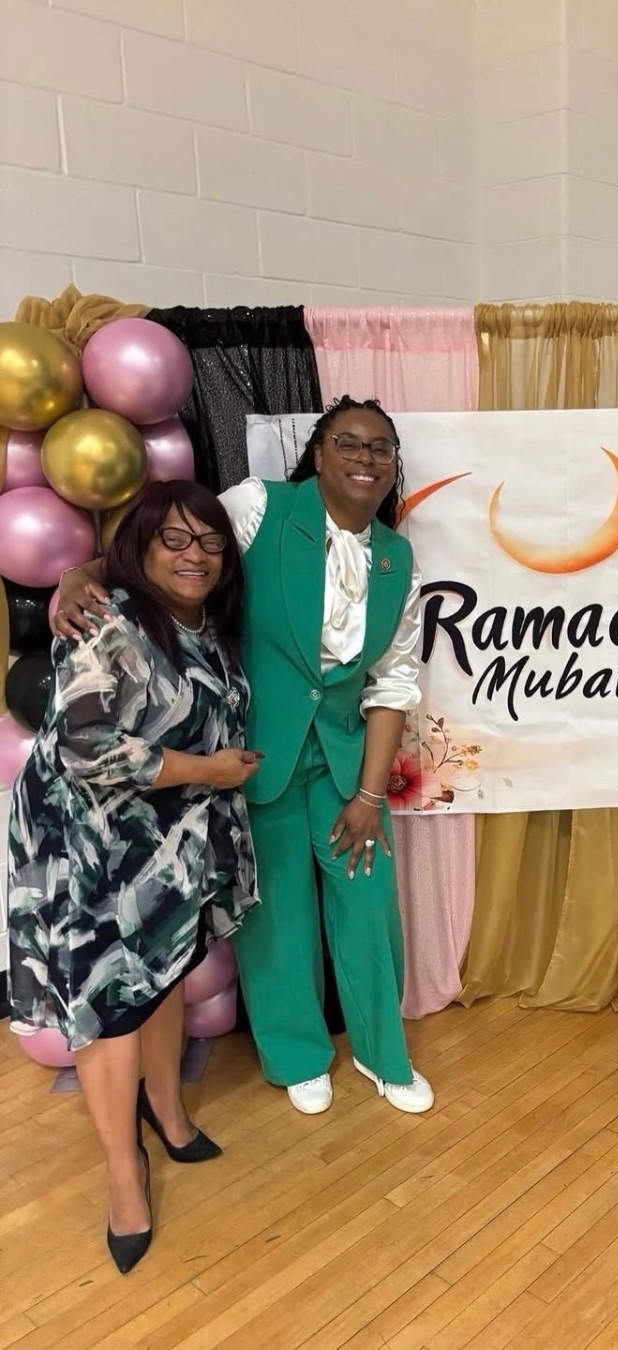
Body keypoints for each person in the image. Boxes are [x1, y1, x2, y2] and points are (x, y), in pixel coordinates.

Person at [53, 397, 433, 1119]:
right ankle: (297, 1055)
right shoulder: (260, 506)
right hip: (253, 754)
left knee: (367, 906)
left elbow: (392, 684)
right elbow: (173, 552)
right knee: (276, 911)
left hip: (347, 760)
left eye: (380, 447)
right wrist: (81, 572)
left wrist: (369, 796)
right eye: (348, 442)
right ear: (318, 452)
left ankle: (383, 1052)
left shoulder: (398, 559)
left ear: (393, 465)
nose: (365, 457)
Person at [9, 481, 260, 1274]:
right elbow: (85, 750)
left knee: (164, 979)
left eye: (209, 542)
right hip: (93, 853)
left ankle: (167, 1111)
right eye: (173, 540)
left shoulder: (202, 622)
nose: (195, 555)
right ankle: (125, 1174)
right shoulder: (107, 622)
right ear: (141, 548)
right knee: (112, 1009)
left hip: (166, 846)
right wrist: (209, 770)